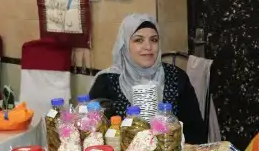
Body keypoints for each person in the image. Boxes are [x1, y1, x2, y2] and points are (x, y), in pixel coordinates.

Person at [89, 13, 207, 144]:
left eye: (154, 40)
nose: (148, 47)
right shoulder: (107, 82)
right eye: (138, 40)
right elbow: (94, 134)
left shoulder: (176, 77)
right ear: (124, 45)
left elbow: (196, 132)